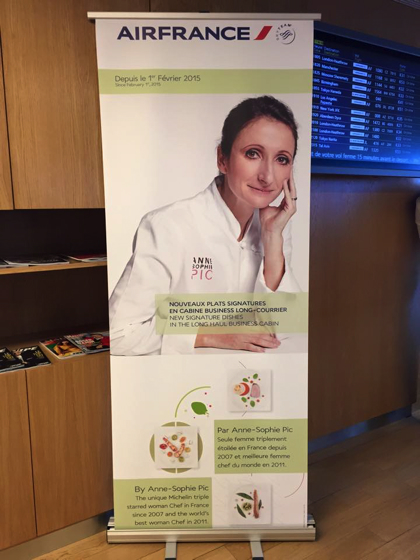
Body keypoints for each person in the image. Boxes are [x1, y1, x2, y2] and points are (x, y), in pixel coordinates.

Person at [109, 96, 301, 355]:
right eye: (253, 153)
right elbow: (120, 334)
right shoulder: (168, 225)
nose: (267, 176)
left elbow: (285, 331)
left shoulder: (275, 226)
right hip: (183, 377)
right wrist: (212, 334)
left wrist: (272, 238)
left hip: (250, 375)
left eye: (282, 159)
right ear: (222, 159)